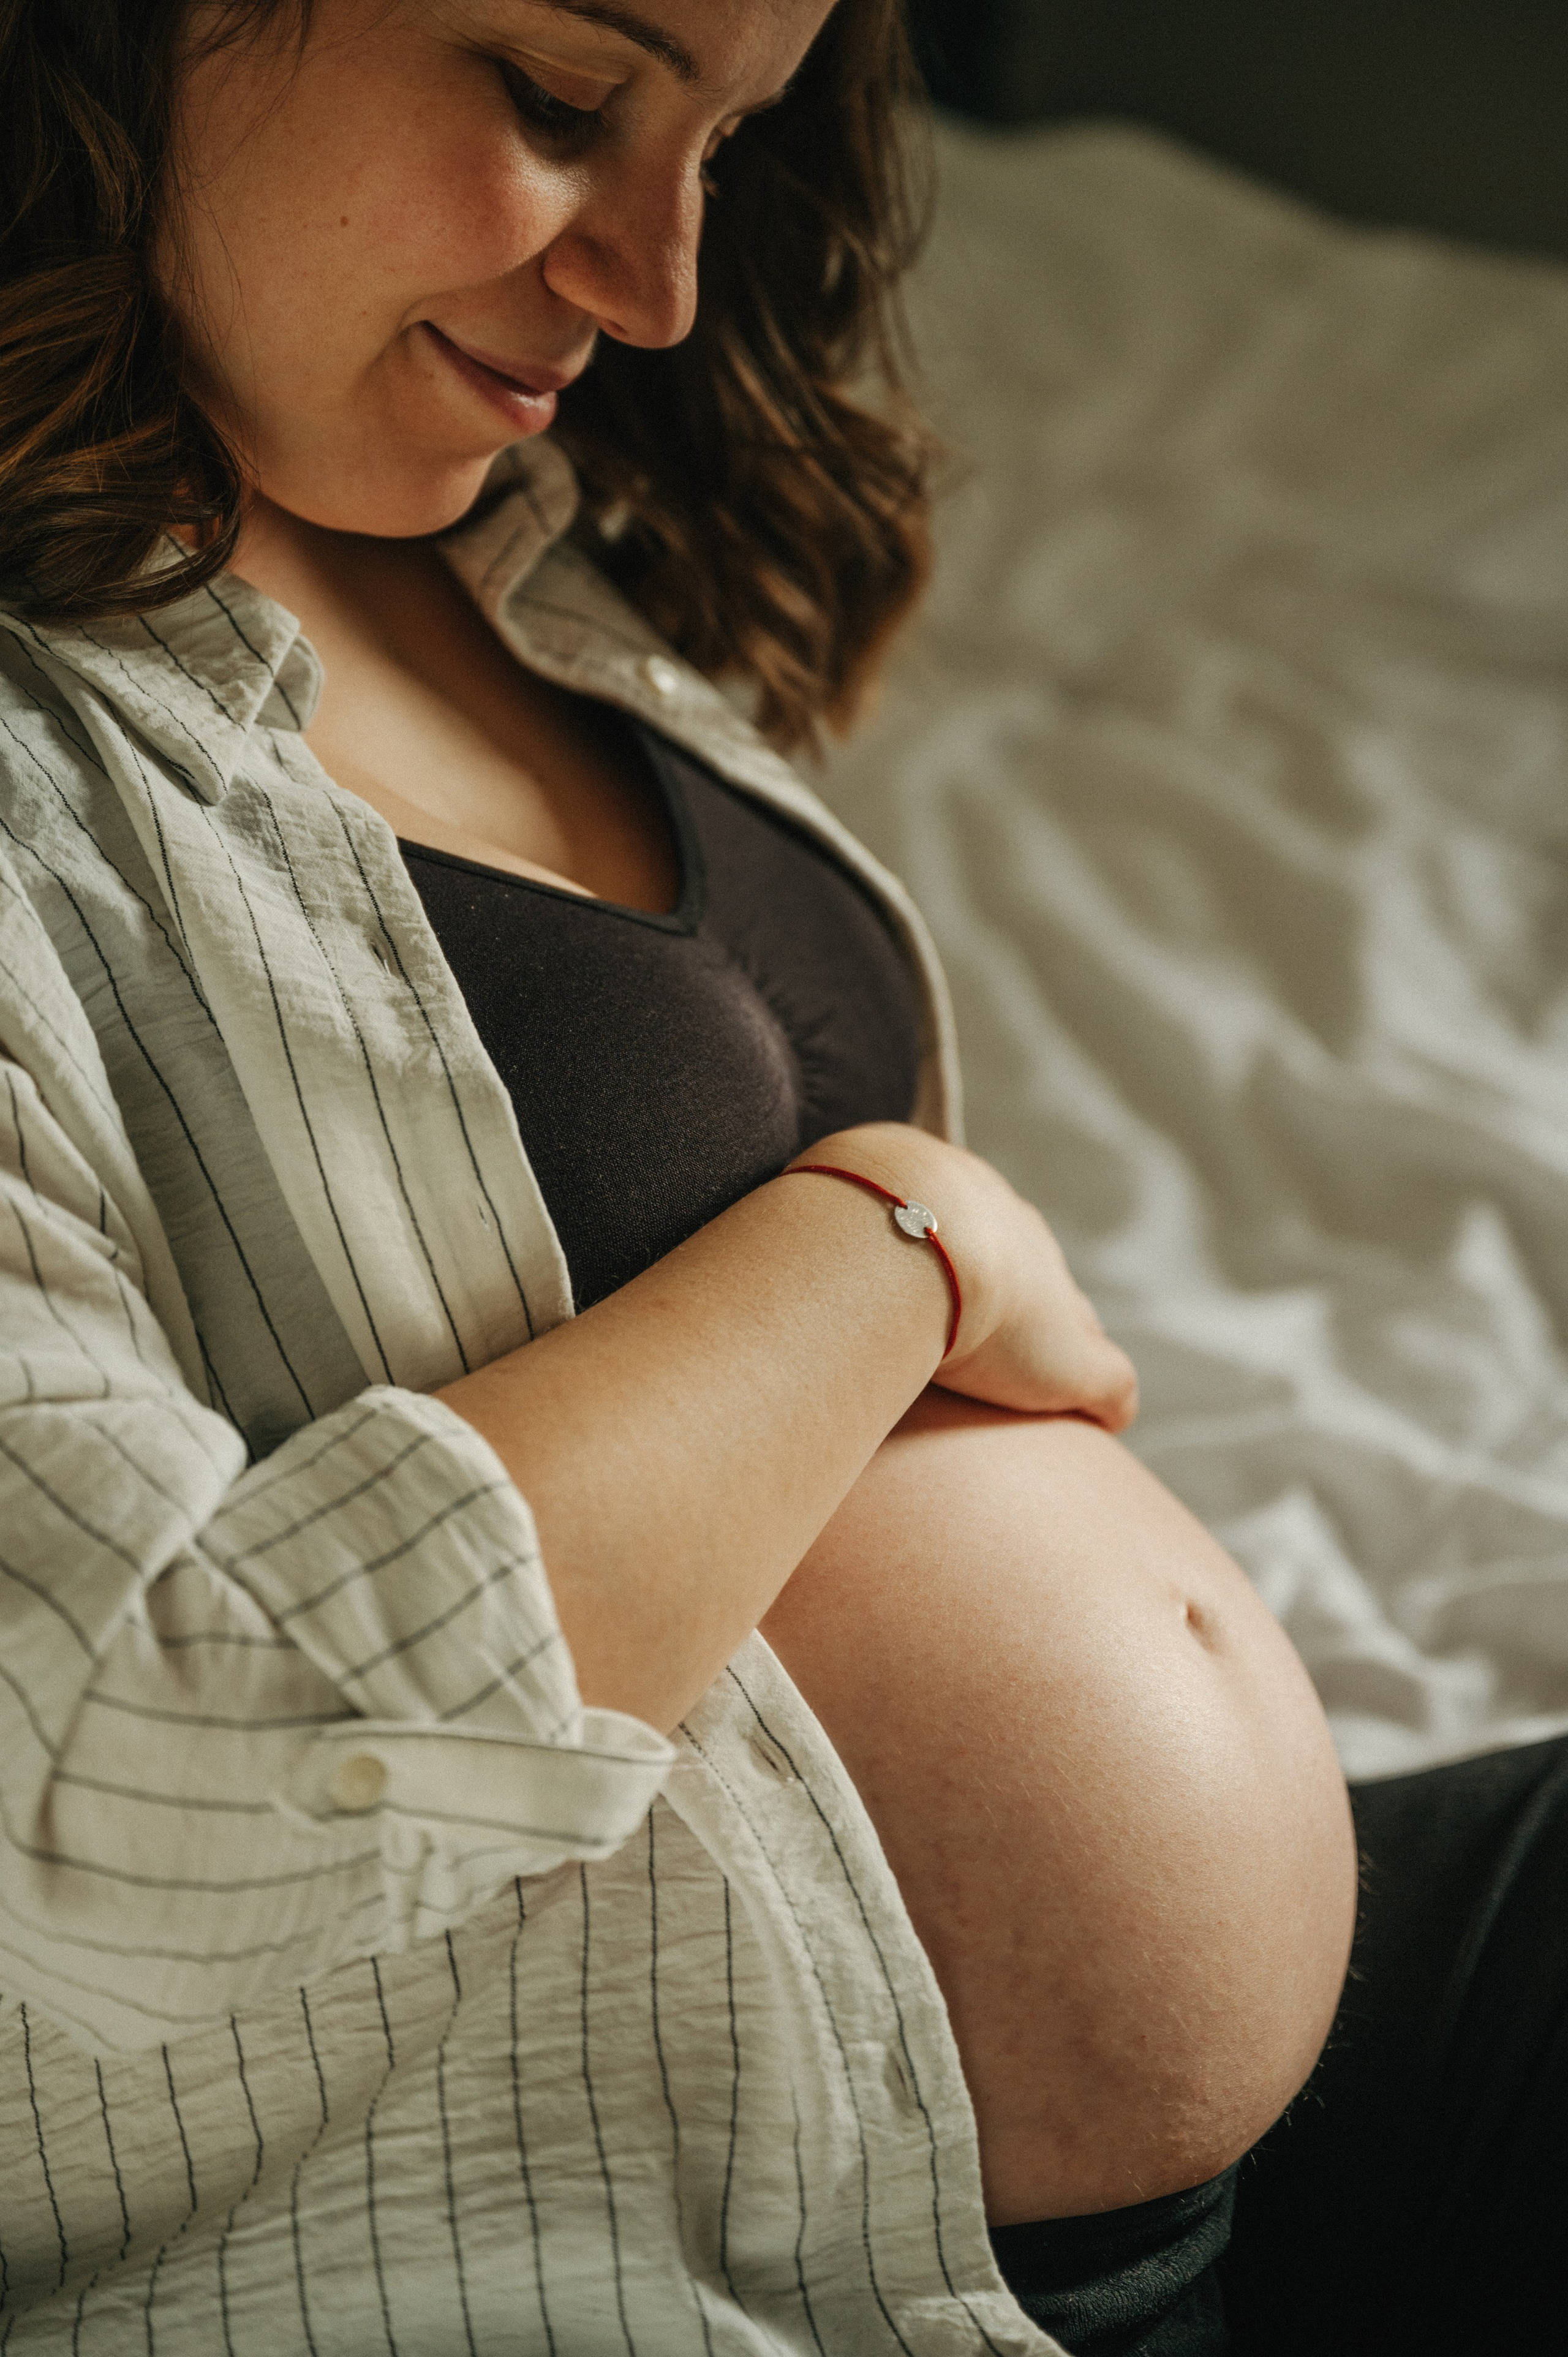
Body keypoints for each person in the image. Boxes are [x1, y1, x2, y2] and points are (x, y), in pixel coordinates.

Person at [9, 3, 1548, 2351]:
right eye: (559, 97)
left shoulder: (515, 542)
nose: (662, 283)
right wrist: (893, 1249)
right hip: (673, 2246)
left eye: (731, 136)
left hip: (1182, 2103)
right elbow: (125, 1811)